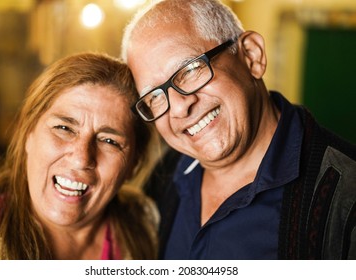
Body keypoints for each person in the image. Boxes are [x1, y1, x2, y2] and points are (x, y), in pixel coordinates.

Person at [120, 0, 356, 259]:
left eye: (189, 70)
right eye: (154, 96)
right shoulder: (164, 176)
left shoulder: (346, 198)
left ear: (251, 55)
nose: (178, 109)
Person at [0, 52, 159, 260]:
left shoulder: (147, 223)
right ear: (27, 133)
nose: (81, 159)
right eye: (64, 128)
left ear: (134, 164)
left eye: (109, 141)